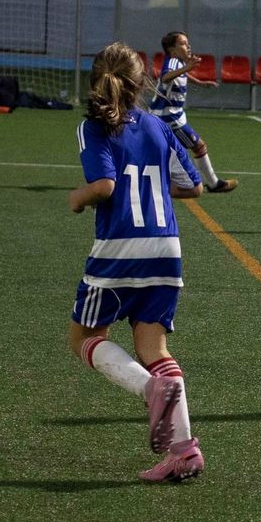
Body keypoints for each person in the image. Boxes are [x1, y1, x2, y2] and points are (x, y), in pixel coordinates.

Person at [67, 42, 206, 482]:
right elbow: (193, 186)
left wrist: (77, 197)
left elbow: (105, 185)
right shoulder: (157, 127)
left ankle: (151, 389)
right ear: (141, 81)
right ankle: (184, 451)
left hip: (119, 251)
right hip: (167, 250)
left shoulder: (94, 127)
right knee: (154, 349)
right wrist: (157, 191)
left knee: (84, 338)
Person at [152, 31, 237, 194]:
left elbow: (183, 75)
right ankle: (214, 184)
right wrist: (188, 66)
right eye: (183, 43)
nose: (188, 46)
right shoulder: (172, 62)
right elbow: (165, 77)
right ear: (172, 50)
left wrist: (200, 82)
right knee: (199, 146)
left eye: (187, 42)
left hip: (168, 116)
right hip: (169, 119)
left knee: (164, 152)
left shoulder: (177, 64)